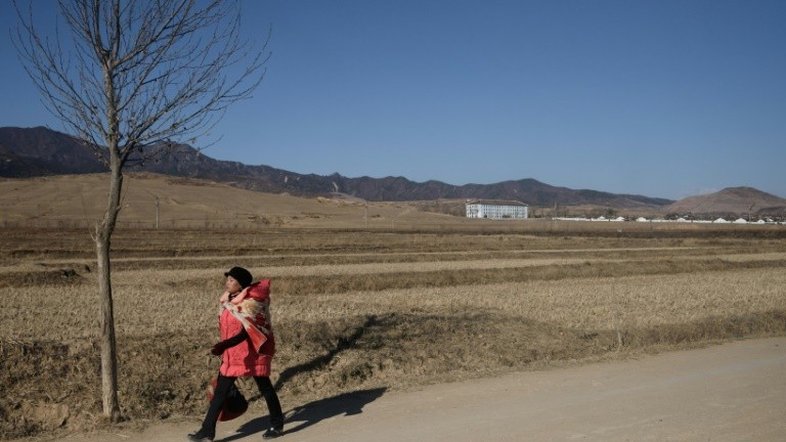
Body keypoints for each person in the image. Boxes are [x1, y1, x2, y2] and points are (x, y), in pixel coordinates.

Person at [188, 267, 284, 441]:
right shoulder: (227, 300)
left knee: (265, 388)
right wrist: (224, 347)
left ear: (241, 285)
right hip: (232, 354)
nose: (227, 283)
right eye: (228, 279)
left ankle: (277, 424)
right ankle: (207, 431)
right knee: (220, 393)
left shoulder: (251, 303)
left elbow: (245, 333)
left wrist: (223, 345)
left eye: (232, 280)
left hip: (253, 353)